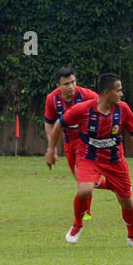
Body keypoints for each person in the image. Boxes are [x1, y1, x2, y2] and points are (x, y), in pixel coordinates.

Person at [44, 73, 133, 247]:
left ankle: (132, 236)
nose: (121, 94)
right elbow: (58, 124)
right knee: (85, 189)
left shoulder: (123, 109)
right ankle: (77, 224)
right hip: (88, 156)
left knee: (126, 199)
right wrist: (50, 149)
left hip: (115, 160)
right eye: (119, 90)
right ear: (107, 93)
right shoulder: (84, 109)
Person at [43, 67, 104, 216]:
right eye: (66, 84)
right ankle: (110, 183)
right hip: (69, 142)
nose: (71, 86)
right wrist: (52, 148)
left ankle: (86, 213)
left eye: (73, 82)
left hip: (87, 142)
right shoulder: (52, 99)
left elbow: (105, 107)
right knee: (82, 180)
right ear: (58, 85)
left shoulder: (88, 95)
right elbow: (49, 123)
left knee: (83, 179)